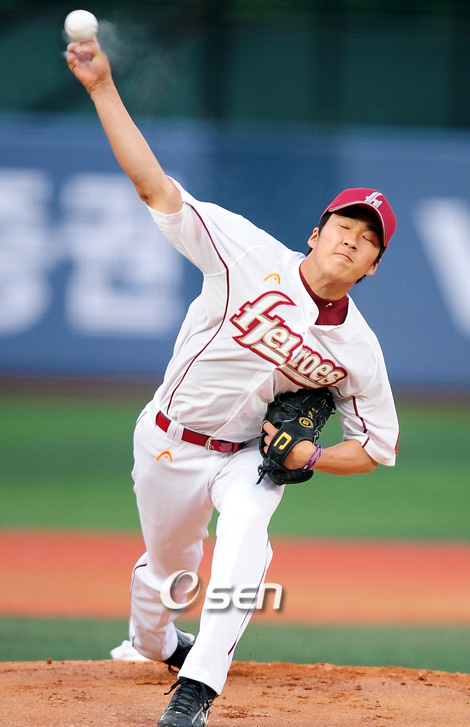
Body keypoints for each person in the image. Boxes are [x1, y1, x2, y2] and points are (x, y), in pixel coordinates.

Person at [66, 38, 399, 727]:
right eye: (344, 226)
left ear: (372, 268)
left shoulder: (359, 351)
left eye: (368, 240)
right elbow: (155, 187)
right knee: (168, 573)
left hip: (248, 454)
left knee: (248, 534)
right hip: (168, 439)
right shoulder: (244, 253)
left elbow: (377, 447)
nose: (352, 240)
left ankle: (196, 692)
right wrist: (101, 88)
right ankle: (157, 642)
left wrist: (311, 455)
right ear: (315, 233)